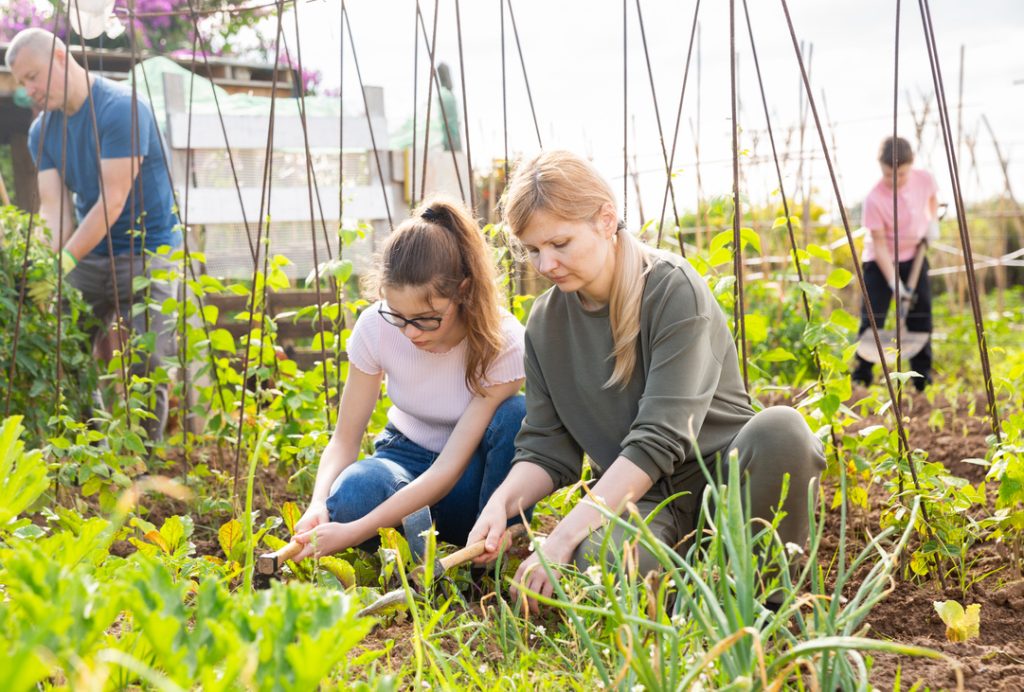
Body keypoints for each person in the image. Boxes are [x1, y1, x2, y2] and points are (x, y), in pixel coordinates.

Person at [465, 150, 826, 613]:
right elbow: (545, 449)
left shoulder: (671, 289)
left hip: (728, 483)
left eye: (560, 243)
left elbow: (659, 438)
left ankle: (764, 605)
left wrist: (563, 535)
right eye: (533, 250)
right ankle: (692, 593)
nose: (546, 264)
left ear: (605, 219)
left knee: (783, 430)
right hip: (641, 502)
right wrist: (502, 504)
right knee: (609, 562)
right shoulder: (545, 324)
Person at [291, 197, 527, 559]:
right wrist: (318, 504)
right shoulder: (375, 326)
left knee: (515, 414)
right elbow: (344, 439)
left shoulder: (503, 341)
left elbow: (448, 469)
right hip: (402, 457)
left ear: (463, 291)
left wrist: (355, 530)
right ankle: (418, 545)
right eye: (398, 316)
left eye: (427, 318)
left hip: (470, 480)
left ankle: (486, 550)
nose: (410, 333)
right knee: (355, 491)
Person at [8, 28, 180, 441]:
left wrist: (63, 260)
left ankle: (144, 460)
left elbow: (112, 201)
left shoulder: (121, 110)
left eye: (33, 76)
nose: (28, 90)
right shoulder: (41, 132)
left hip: (147, 250)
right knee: (63, 348)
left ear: (62, 57)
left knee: (149, 357)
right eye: (21, 83)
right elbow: (54, 210)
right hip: (90, 253)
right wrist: (50, 268)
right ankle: (93, 450)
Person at [852, 136, 939, 391]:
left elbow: (933, 199)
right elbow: (878, 245)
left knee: (921, 315)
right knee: (873, 317)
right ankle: (861, 376)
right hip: (880, 262)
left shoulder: (924, 179)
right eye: (888, 174)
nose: (894, 180)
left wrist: (932, 223)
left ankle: (922, 379)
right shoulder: (874, 199)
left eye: (900, 174)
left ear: (911, 166)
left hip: (915, 255)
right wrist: (895, 284)